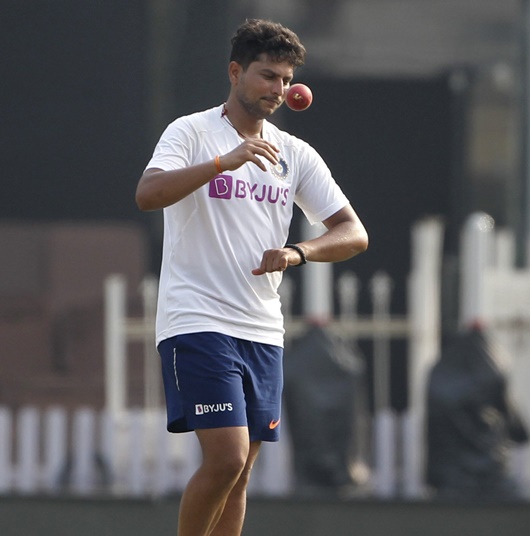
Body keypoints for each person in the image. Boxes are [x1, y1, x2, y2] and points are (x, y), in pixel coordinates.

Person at [135, 18, 368, 536]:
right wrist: (224, 161)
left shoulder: (295, 153)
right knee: (226, 456)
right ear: (236, 71)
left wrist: (297, 252)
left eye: (286, 80)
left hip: (262, 327)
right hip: (196, 318)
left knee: (239, 476)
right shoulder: (192, 132)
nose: (279, 90)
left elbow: (353, 233)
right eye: (268, 76)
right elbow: (148, 194)